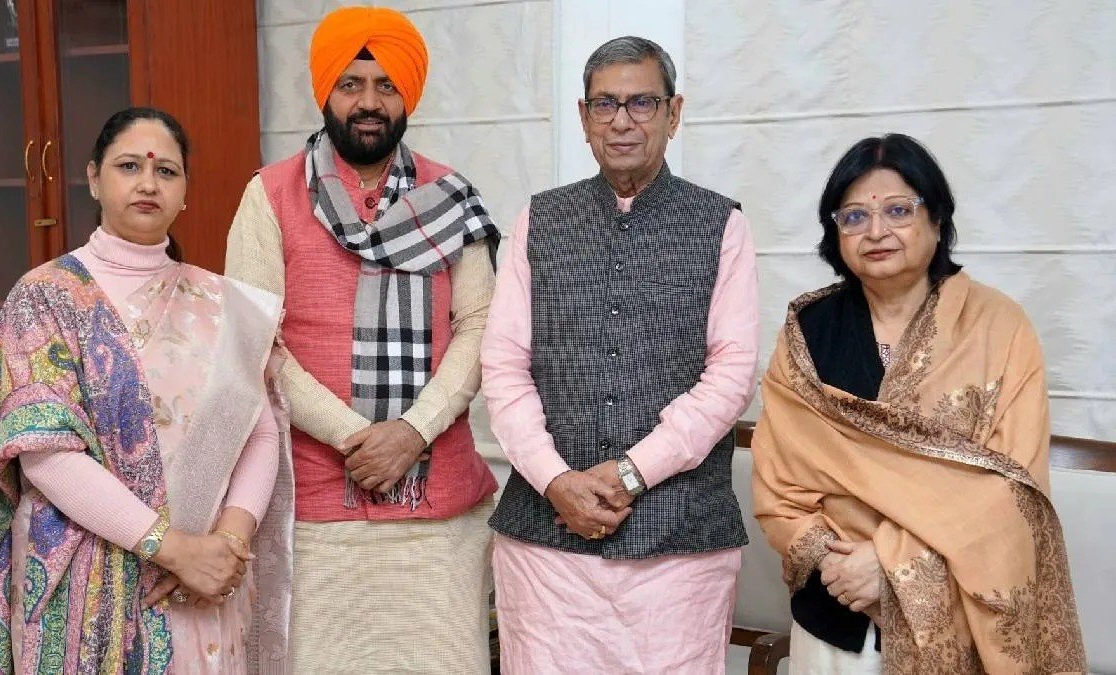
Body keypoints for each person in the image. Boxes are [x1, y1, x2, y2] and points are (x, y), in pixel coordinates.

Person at [0, 107, 293, 674]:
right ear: (93, 178)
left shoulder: (227, 306)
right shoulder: (45, 297)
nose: (148, 183)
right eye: (129, 166)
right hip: (82, 581)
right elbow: (46, 454)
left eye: (167, 171)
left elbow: (260, 435)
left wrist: (227, 545)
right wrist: (174, 549)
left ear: (185, 191)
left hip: (205, 582)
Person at [224, 6, 500, 672]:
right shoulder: (270, 195)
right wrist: (358, 438)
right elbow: (255, 341)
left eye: (386, 85)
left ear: (409, 96)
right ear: (325, 91)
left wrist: (412, 431)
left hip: (437, 512)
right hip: (316, 508)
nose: (369, 102)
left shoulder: (452, 196)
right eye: (351, 84)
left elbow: (480, 325)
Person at [751, 133, 1086, 673]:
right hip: (834, 615)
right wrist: (841, 567)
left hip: (960, 614)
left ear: (937, 219)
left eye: (898, 210)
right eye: (854, 216)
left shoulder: (997, 328)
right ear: (835, 233)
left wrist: (891, 566)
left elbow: (1012, 488)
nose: (876, 231)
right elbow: (777, 485)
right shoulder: (807, 331)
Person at [481, 36, 759, 673]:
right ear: (584, 118)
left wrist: (633, 472)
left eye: (642, 103)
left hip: (680, 545)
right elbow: (504, 365)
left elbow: (732, 375)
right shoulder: (539, 220)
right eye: (605, 105)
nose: (622, 121)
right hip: (545, 543)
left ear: (673, 113)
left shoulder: (721, 224)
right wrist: (555, 480)